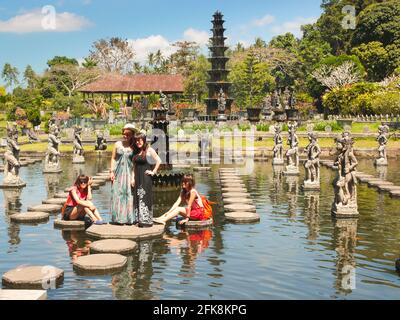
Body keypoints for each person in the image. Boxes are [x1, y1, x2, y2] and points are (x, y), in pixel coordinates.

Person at [132, 130, 162, 227]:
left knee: (145, 197)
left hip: (145, 178)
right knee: (137, 197)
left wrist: (153, 172)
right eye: (136, 141)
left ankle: (146, 220)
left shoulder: (149, 150)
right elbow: (133, 166)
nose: (138, 142)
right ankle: (139, 220)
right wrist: (132, 178)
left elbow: (159, 160)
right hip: (137, 178)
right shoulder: (136, 151)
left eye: (140, 140)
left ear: (144, 140)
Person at [110, 123, 137, 225]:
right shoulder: (117, 144)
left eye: (128, 134)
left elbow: (134, 164)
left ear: (132, 135)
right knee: (117, 194)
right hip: (118, 172)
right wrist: (111, 171)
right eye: (124, 134)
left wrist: (133, 178)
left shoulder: (134, 147)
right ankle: (118, 219)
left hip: (129, 173)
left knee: (128, 194)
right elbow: (113, 158)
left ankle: (128, 218)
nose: (125, 136)